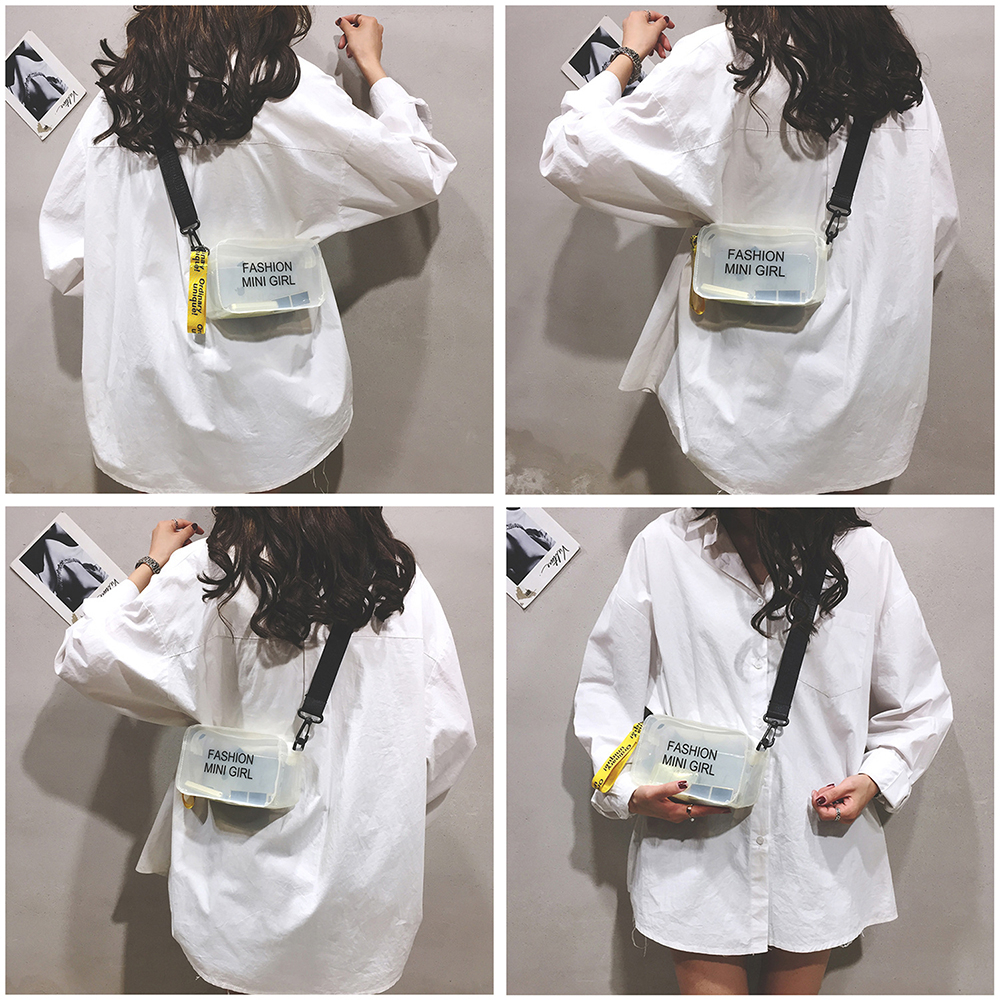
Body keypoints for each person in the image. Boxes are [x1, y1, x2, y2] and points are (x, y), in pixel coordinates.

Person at [54, 508, 475, 994]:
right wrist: (371, 824)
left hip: (237, 892)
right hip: (363, 901)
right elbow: (449, 735)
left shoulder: (217, 570)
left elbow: (86, 654)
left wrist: (151, 563)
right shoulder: (399, 583)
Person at [541, 8, 959, 494]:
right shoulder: (900, 81)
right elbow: (939, 228)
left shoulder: (730, 59)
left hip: (747, 402)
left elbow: (571, 152)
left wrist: (628, 55)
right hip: (870, 407)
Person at [39, 8, 456, 492]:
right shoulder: (285, 89)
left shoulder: (118, 101)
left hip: (145, 412)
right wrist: (374, 70)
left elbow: (67, 258)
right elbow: (418, 169)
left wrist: (152, 284)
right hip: (275, 408)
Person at [574, 508, 952, 994]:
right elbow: (606, 688)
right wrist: (627, 791)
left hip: (813, 845)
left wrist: (876, 777)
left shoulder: (864, 554)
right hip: (695, 845)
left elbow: (919, 701)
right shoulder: (664, 545)